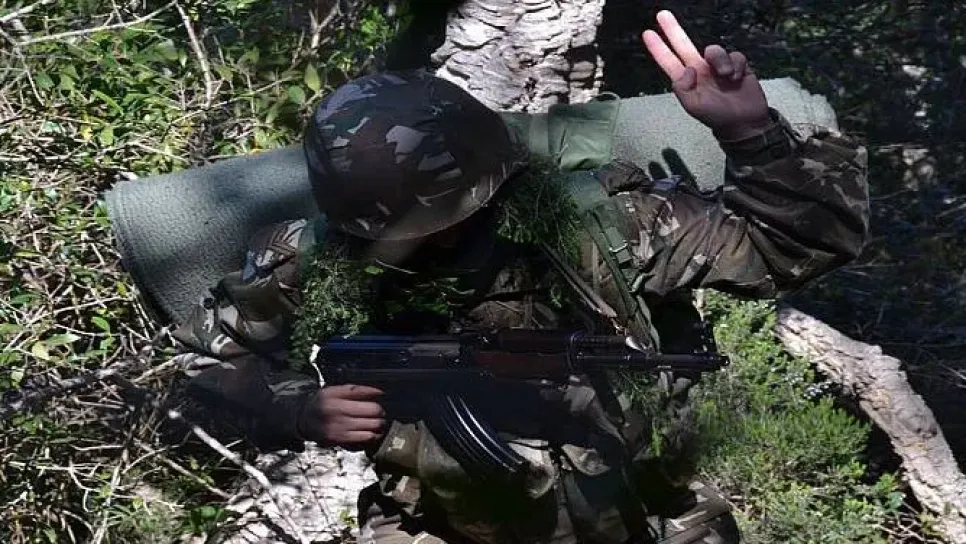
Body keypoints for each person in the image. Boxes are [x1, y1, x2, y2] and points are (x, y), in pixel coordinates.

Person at [172, 11, 869, 544]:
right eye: (397, 235)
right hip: (441, 528)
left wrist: (752, 134)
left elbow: (793, 245)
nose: (428, 243)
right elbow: (202, 363)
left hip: (644, 516)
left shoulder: (609, 226)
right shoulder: (319, 259)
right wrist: (296, 408)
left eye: (450, 219)